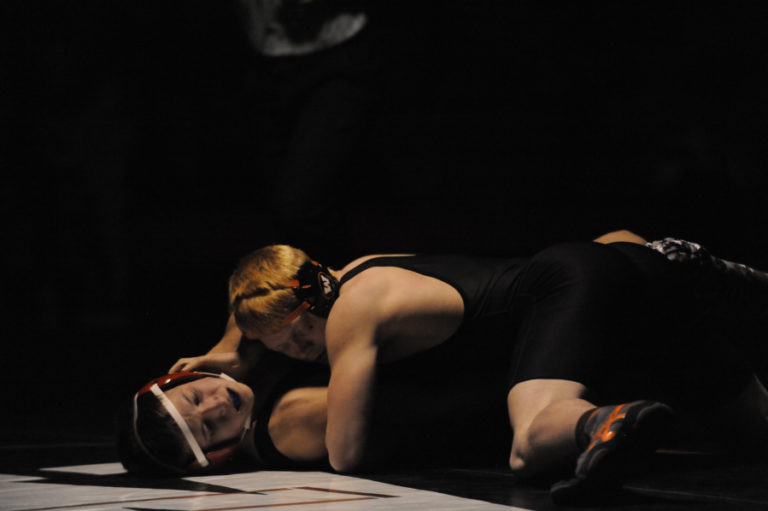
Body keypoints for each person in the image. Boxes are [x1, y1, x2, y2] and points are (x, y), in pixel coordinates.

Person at [119, 230, 768, 505]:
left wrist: (259, 392)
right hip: (616, 276)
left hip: (569, 294)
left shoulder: (341, 332)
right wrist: (231, 345)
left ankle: (603, 420)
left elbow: (345, 455)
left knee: (530, 440)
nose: (211, 404)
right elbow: (259, 289)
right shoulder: (337, 275)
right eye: (203, 422)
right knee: (755, 431)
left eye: (196, 394)